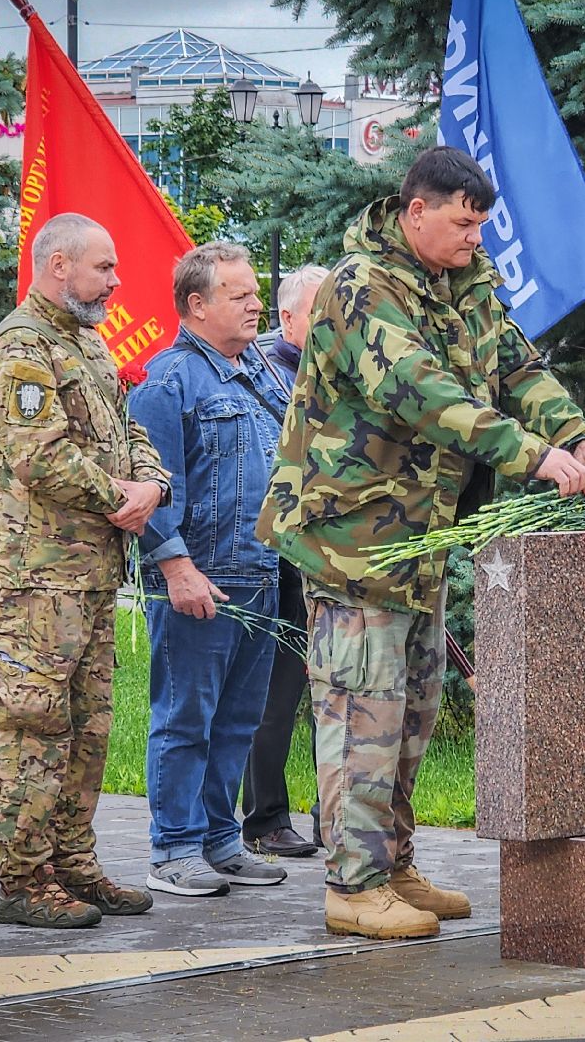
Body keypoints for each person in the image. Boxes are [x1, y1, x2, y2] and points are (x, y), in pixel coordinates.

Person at [258, 146, 585, 940]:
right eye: (463, 223)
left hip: (418, 539)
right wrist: (530, 454)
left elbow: (517, 368)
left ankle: (390, 864)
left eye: (481, 225)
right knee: (364, 710)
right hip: (353, 537)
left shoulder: (465, 282)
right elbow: (419, 392)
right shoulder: (361, 287)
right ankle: (352, 887)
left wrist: (576, 435)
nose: (474, 239)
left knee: (411, 712)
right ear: (415, 211)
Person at [0, 212, 170, 928]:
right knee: (32, 726)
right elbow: (40, 457)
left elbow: (129, 429)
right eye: (104, 267)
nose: (117, 282)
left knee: (86, 729)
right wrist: (120, 496)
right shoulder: (23, 346)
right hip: (41, 577)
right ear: (59, 265)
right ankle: (22, 880)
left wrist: (151, 484)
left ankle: (73, 865)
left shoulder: (85, 343)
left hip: (90, 573)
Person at [129, 242, 293, 897]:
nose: (256, 303)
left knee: (238, 722)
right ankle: (172, 851)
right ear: (196, 305)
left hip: (260, 575)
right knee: (185, 719)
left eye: (255, 292)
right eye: (239, 294)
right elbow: (149, 487)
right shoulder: (169, 381)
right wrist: (176, 568)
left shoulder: (259, 374)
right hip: (200, 580)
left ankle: (221, 840)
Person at [242, 264, 331, 859]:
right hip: (280, 562)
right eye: (321, 310)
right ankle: (266, 818)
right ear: (289, 318)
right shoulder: (270, 374)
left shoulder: (341, 370)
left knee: (339, 694)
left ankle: (338, 817)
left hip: (333, 558)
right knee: (274, 698)